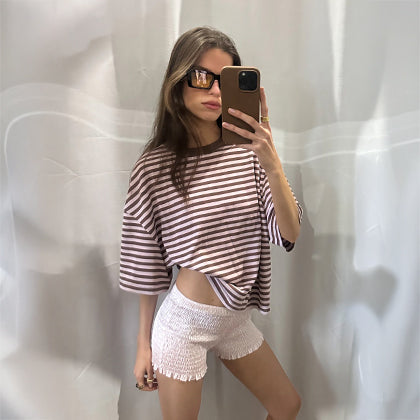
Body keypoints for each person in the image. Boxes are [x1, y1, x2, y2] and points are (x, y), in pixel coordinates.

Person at [119, 26, 303, 420]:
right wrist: (142, 346)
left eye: (226, 80)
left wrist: (271, 160)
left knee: (287, 406)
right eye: (202, 77)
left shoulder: (250, 154)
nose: (216, 91)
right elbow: (145, 262)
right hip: (183, 326)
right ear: (178, 80)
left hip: (234, 319)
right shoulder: (154, 166)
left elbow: (289, 233)